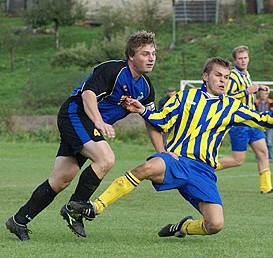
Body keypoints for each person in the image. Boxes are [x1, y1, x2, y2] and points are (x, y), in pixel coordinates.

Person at [65, 57, 273, 238]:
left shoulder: (232, 107)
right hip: (178, 160)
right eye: (218, 76)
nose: (223, 81)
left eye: (226, 77)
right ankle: (95, 207)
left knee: (215, 225)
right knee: (147, 167)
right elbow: (162, 119)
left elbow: (262, 121)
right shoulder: (185, 97)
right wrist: (143, 110)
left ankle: (182, 227)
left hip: (203, 171)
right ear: (206, 76)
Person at [5, 31, 164, 241]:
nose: (151, 58)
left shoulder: (146, 88)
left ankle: (18, 221)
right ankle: (75, 207)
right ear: (131, 57)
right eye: (145, 54)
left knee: (61, 179)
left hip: (89, 125)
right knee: (106, 159)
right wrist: (99, 121)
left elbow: (151, 119)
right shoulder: (112, 70)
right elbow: (88, 94)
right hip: (75, 114)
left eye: (153, 53)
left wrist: (162, 152)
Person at [218, 45, 273, 195]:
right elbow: (224, 98)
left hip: (252, 121)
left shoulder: (246, 74)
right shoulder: (232, 76)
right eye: (240, 58)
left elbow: (250, 90)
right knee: (238, 160)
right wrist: (245, 92)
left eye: (245, 58)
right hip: (239, 123)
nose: (243, 61)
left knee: (263, 153)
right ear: (235, 60)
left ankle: (266, 188)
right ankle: (206, 166)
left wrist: (259, 87)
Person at [255, 89, 273, 160]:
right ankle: (259, 156)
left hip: (268, 125)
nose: (263, 95)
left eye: (265, 94)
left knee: (269, 142)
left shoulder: (271, 103)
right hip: (259, 125)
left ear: (267, 95)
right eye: (262, 94)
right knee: (258, 142)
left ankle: (269, 157)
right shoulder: (256, 102)